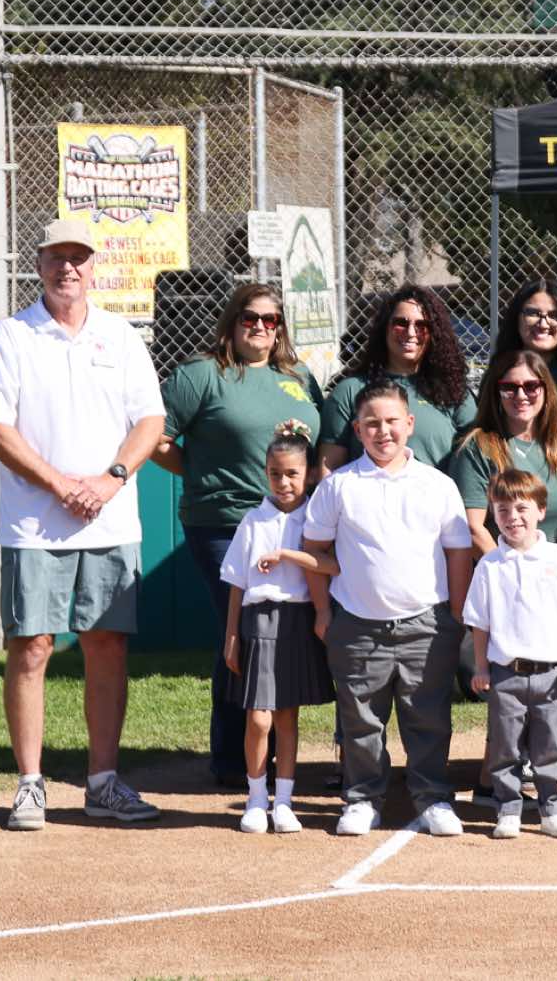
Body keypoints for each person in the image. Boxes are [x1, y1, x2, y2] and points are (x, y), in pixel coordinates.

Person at [0, 219, 167, 833]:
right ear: (39, 265)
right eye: (57, 257)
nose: (68, 268)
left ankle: (103, 782)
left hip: (111, 522)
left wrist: (110, 480)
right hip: (34, 525)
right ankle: (30, 785)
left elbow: (150, 421)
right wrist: (60, 485)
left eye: (78, 257)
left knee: (106, 645)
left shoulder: (121, 336)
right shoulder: (13, 335)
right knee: (31, 646)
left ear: (92, 265)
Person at [156, 280, 325, 787]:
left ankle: (272, 755)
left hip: (293, 521)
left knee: (284, 629)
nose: (260, 327)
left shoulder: (298, 377)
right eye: (250, 317)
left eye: (271, 320)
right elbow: (157, 439)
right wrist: (202, 474)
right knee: (250, 629)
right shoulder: (202, 374)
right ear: (232, 322)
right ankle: (237, 761)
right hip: (226, 522)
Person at [301, 380, 473, 838]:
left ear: (410, 424)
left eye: (392, 421)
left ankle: (432, 798)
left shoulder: (437, 485)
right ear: (358, 430)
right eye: (372, 423)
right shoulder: (339, 486)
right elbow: (314, 549)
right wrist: (323, 612)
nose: (383, 431)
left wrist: (456, 614)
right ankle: (362, 799)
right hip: (357, 626)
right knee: (360, 721)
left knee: (428, 718)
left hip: (427, 624)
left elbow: (458, 552)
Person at [219, 427, 335, 835]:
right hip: (258, 623)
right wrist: (232, 636)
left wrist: (288, 554)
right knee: (258, 718)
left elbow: (331, 566)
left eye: (292, 474)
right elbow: (237, 583)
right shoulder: (253, 520)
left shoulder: (316, 520)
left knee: (287, 715)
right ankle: (256, 799)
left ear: (309, 474)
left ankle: (283, 801)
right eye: (275, 474)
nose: (283, 482)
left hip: (298, 620)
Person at [464, 468, 557, 840]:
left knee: (549, 745)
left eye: (521, 508)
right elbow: (480, 623)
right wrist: (481, 666)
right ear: (493, 514)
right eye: (502, 510)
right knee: (505, 746)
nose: (512, 517)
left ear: (541, 510)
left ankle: (552, 809)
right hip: (506, 673)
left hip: (552, 673)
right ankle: (508, 808)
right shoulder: (489, 565)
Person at [320, 285, 477, 473]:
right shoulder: (350, 390)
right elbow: (328, 469)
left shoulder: (454, 392)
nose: (411, 332)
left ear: (434, 333)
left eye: (422, 325)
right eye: (401, 323)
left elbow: (474, 465)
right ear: (384, 328)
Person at [450, 351, 557, 548]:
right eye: (509, 388)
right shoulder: (477, 448)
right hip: (501, 563)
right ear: (497, 393)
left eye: (531, 386)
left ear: (546, 390)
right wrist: (510, 566)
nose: (521, 396)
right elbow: (473, 528)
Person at [491, 278, 557, 439]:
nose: (543, 324)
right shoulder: (500, 370)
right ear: (516, 318)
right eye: (532, 313)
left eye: (554, 315)